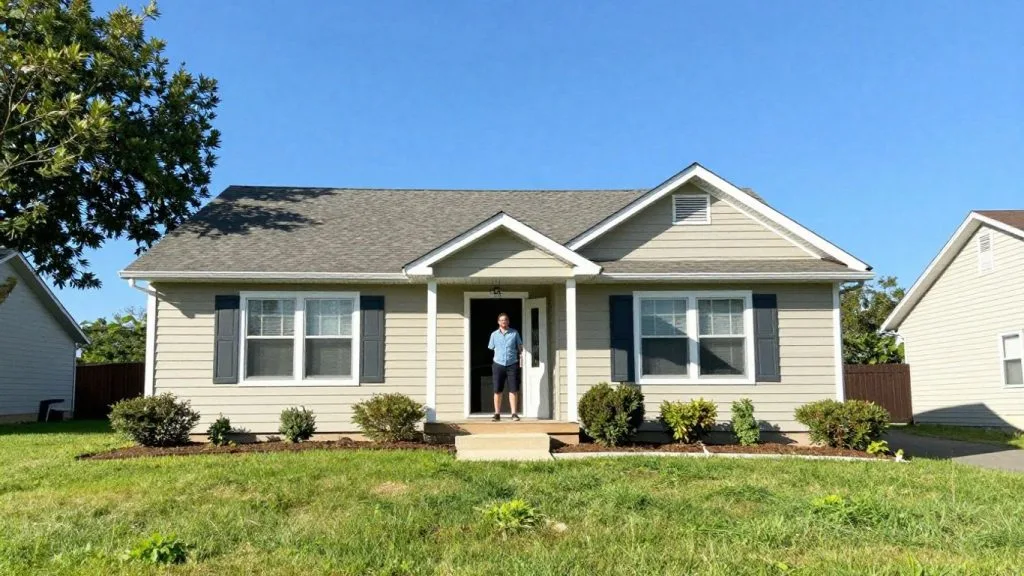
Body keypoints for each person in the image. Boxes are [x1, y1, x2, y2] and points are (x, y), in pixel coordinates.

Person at [487, 311, 523, 421]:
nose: (504, 322)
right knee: (497, 390)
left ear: (508, 321)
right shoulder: (494, 334)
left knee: (513, 390)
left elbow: (520, 347)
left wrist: (521, 359)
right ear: (498, 322)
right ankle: (497, 414)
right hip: (498, 364)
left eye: (506, 320)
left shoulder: (514, 333)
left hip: (512, 364)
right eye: (502, 320)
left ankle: (514, 414)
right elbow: (491, 347)